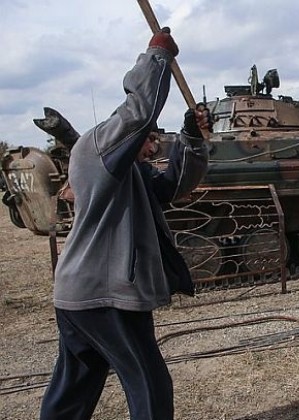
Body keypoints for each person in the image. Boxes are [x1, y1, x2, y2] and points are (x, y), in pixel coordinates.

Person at [39, 28, 210, 420]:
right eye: (148, 140)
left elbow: (175, 185)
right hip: (105, 293)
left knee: (75, 387)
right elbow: (138, 113)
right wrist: (157, 57)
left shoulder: (131, 171)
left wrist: (192, 135)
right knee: (150, 385)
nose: (152, 147)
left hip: (81, 294)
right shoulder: (98, 152)